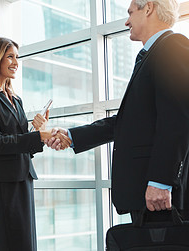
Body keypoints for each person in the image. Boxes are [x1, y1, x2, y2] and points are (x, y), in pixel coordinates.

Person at [46, 0, 189, 221]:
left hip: (159, 195)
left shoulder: (173, 47)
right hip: (147, 194)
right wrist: (72, 136)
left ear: (148, 8)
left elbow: (178, 120)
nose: (126, 21)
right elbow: (126, 122)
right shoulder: (151, 56)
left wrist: (161, 181)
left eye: (130, 13)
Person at [0, 37, 70, 251]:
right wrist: (38, 137)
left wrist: (35, 129)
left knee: (26, 243)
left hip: (23, 176)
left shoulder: (16, 99)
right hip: (2, 181)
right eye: (10, 56)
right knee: (12, 244)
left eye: (17, 57)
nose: (16, 62)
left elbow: (20, 141)